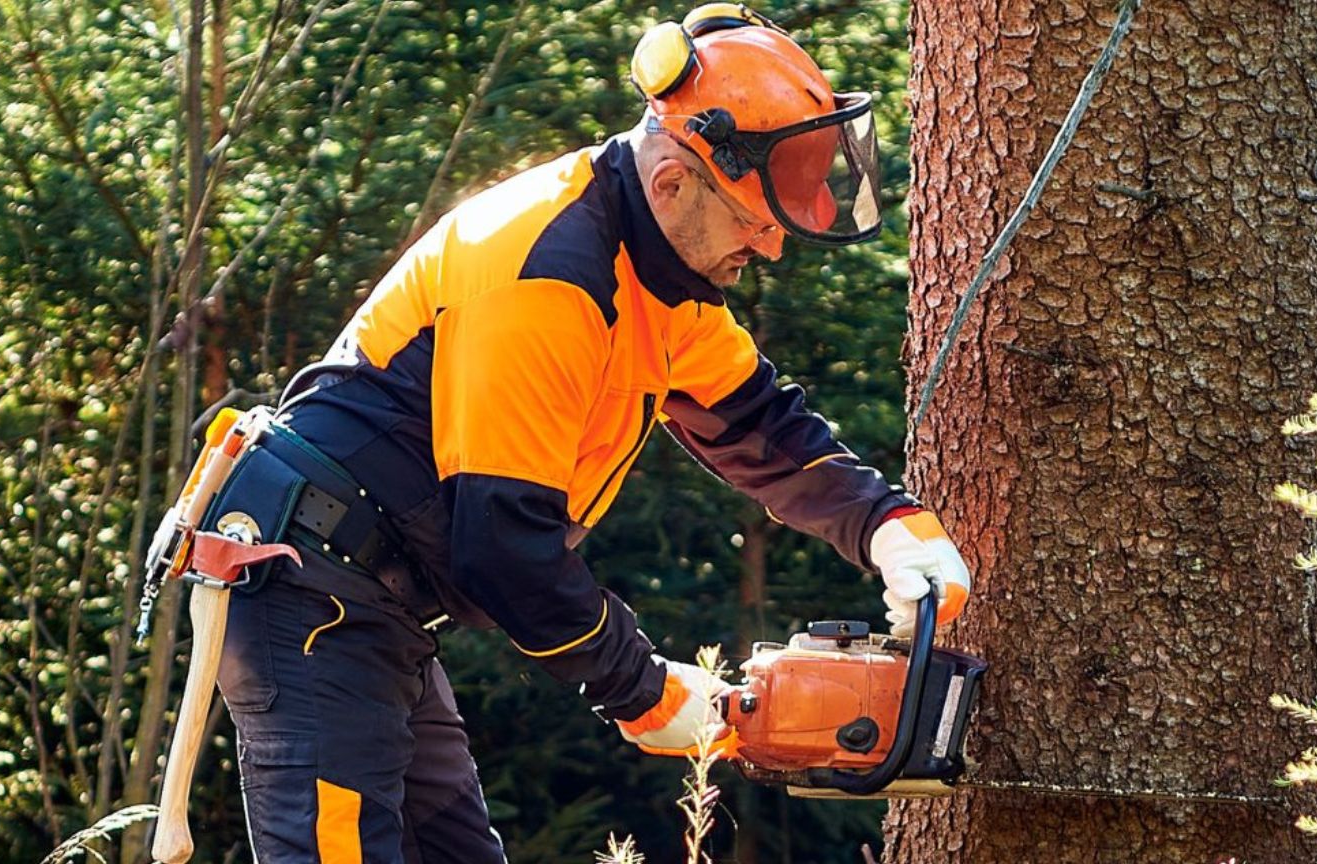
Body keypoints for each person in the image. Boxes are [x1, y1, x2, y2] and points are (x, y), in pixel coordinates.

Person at [196, 5, 972, 861]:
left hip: (381, 602)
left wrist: (887, 524)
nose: (771, 248)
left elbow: (756, 420)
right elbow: (501, 545)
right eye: (756, 221)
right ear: (675, 183)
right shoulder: (549, 278)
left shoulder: (662, 275)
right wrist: (641, 690)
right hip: (314, 586)